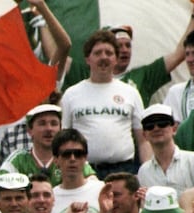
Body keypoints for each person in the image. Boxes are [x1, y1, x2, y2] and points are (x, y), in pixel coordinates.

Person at [61, 30, 147, 178]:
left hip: (124, 170)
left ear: (116, 58)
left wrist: (147, 171)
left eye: (109, 53)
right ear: (88, 59)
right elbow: (63, 139)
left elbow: (143, 140)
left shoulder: (130, 92)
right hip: (86, 172)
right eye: (98, 53)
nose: (104, 57)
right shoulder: (71, 94)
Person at [137, 105, 194, 191]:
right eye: (149, 126)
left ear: (174, 128)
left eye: (162, 123)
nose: (156, 128)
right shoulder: (144, 172)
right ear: (144, 135)